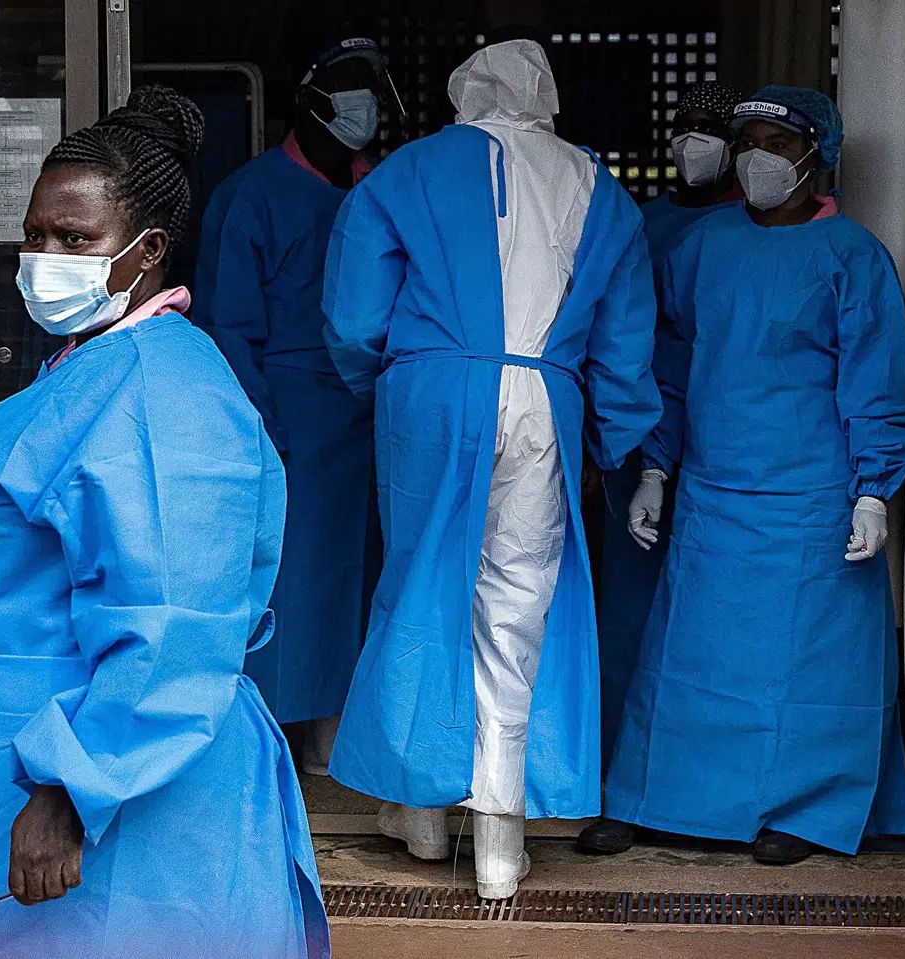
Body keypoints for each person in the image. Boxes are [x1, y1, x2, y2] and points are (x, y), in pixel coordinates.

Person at [0, 87, 329, 959]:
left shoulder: (161, 394)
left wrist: (71, 789)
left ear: (145, 252)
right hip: (49, 764)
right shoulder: (94, 367)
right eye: (35, 234)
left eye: (75, 240)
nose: (44, 257)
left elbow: (171, 620)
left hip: (116, 786)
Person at [321, 40, 661, 900]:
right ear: (545, 96)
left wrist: (393, 383)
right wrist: (619, 438)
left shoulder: (404, 173)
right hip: (546, 395)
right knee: (517, 610)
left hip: (433, 391)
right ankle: (500, 842)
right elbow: (625, 342)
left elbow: (356, 317)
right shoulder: (600, 189)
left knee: (423, 588)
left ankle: (427, 818)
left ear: (465, 94)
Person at [581, 86, 905, 866]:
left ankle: (805, 809)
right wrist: (655, 468)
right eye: (748, 140)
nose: (757, 156)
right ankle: (655, 797)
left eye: (776, 141)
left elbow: (876, 381)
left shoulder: (852, 257)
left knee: (805, 661)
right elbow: (668, 366)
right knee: (688, 657)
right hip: (712, 493)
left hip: (812, 501)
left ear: (815, 158)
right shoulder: (704, 246)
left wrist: (874, 490)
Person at [194, 38, 388, 773]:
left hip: (375, 417)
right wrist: (263, 429)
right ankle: (279, 746)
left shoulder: (385, 191)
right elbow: (231, 327)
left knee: (368, 583)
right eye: (347, 86)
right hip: (292, 424)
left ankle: (349, 740)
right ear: (309, 100)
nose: (361, 101)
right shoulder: (252, 196)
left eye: (371, 87)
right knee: (294, 583)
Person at [596, 81, 745, 761]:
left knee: (714, 614)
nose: (693, 141)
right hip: (635, 437)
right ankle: (623, 760)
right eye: (684, 126)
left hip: (726, 446)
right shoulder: (637, 222)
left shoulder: (757, 234)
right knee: (630, 608)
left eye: (709, 128)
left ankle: (697, 766)